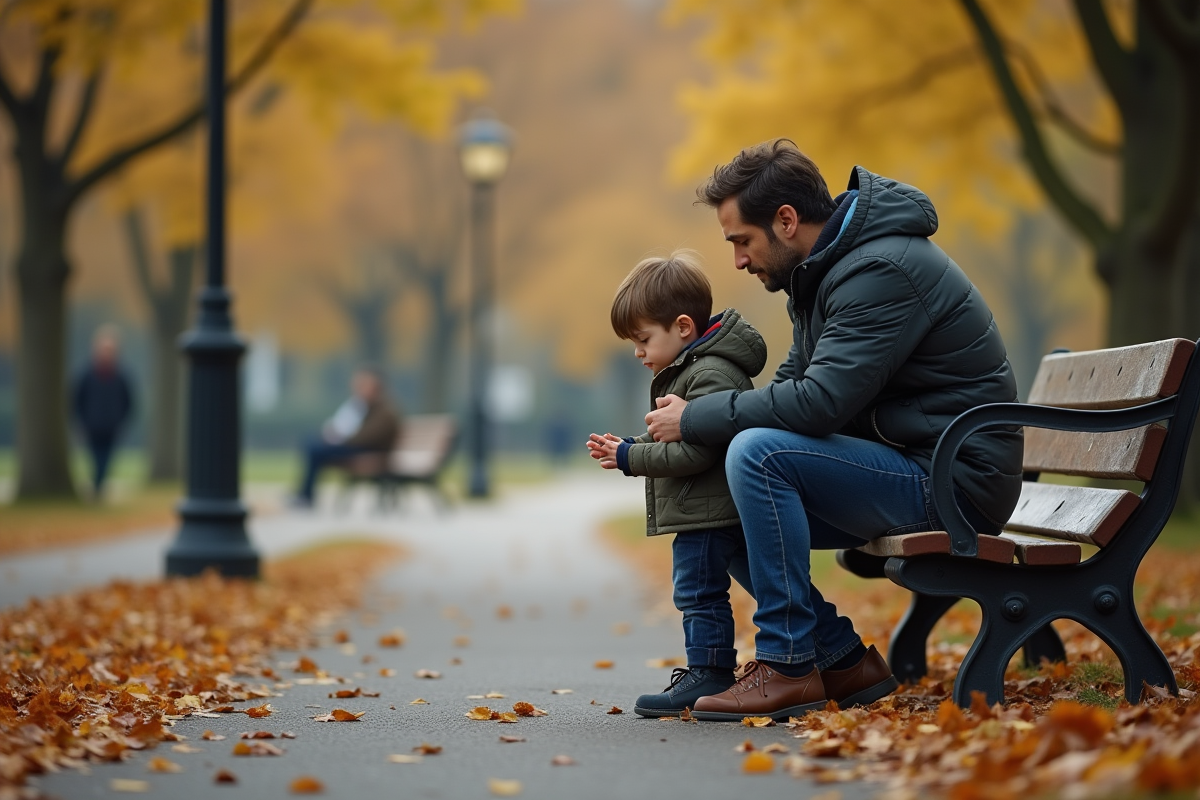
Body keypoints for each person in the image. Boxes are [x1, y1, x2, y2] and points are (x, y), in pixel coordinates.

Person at [644, 140, 1024, 721]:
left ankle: (788, 665)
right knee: (725, 504)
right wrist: (704, 421)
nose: (739, 261)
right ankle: (841, 659)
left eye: (742, 241)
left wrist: (695, 417)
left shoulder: (879, 270)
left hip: (954, 483)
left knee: (757, 455)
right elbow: (793, 387)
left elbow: (818, 404)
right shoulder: (825, 274)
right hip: (918, 465)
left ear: (786, 221)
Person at [586, 250, 767, 717]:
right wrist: (631, 444)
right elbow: (677, 433)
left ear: (683, 327)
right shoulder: (693, 370)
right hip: (705, 508)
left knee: (698, 592)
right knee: (753, 585)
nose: (638, 352)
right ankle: (838, 652)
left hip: (707, 513)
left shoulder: (709, 374)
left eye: (643, 339)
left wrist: (630, 458)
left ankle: (708, 671)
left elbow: (696, 452)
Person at [291, 368, 401, 507]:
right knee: (312, 442)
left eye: (363, 385)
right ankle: (305, 495)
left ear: (376, 388)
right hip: (359, 448)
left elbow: (367, 437)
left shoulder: (384, 411)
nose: (359, 389)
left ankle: (306, 496)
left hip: (370, 452)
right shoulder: (364, 406)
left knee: (316, 449)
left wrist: (338, 439)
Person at [73, 325, 135, 500]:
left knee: (106, 459)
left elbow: (128, 401)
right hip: (91, 426)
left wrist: (121, 420)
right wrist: (81, 421)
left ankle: (97, 488)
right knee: (95, 458)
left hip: (112, 426)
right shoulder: (87, 374)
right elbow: (77, 399)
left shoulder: (121, 375)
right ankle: (97, 488)